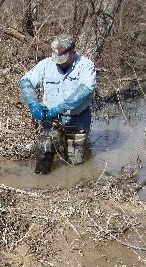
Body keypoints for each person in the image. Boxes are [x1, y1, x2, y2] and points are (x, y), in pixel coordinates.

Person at [20, 34, 96, 174]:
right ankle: (41, 183)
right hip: (51, 118)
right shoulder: (45, 65)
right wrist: (33, 104)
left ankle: (72, 187)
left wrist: (61, 107)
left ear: (73, 52)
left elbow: (85, 90)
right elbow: (25, 82)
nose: (59, 62)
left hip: (78, 118)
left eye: (63, 59)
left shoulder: (86, 65)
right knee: (44, 150)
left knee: (74, 160)